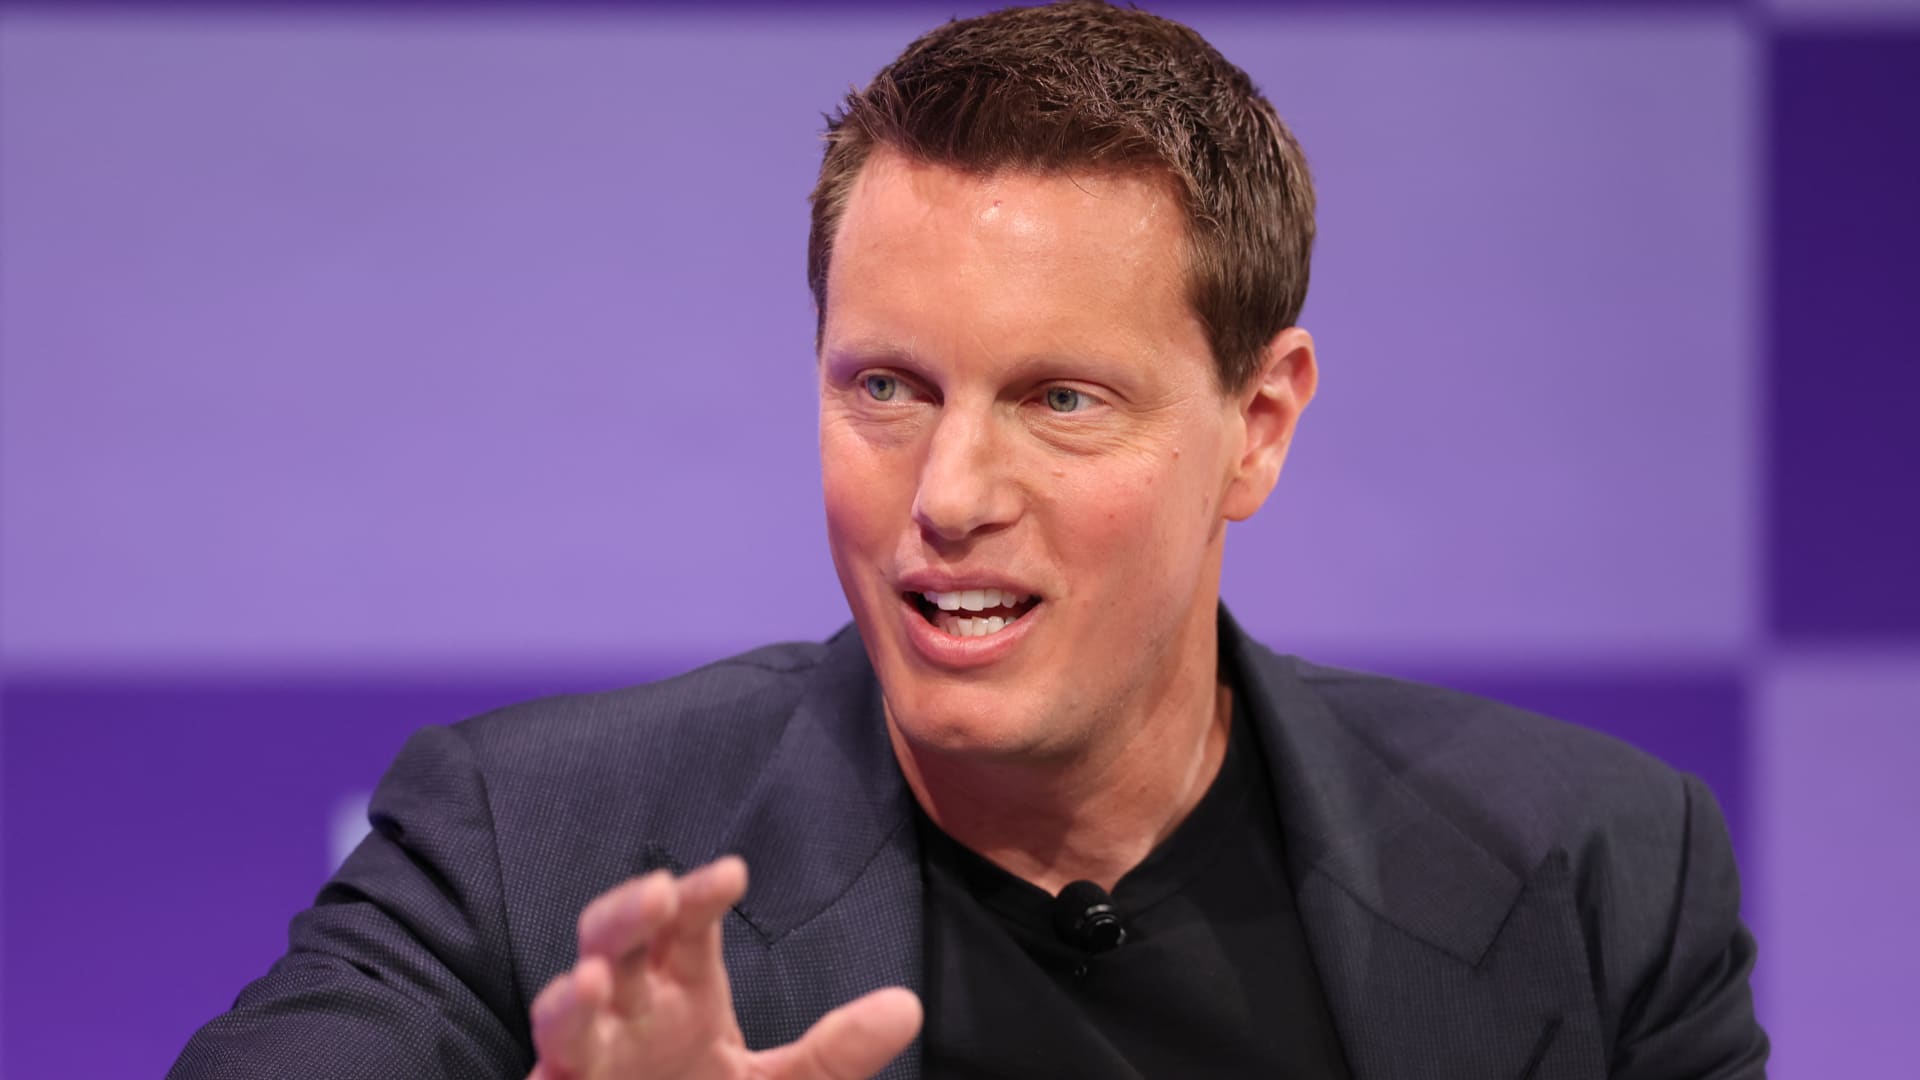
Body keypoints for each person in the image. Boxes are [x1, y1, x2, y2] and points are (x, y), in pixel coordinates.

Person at [170, 2, 1768, 1077]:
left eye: (1060, 399)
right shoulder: (534, 849)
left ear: (1259, 425)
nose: (947, 492)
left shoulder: (1592, 872)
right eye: (888, 388)